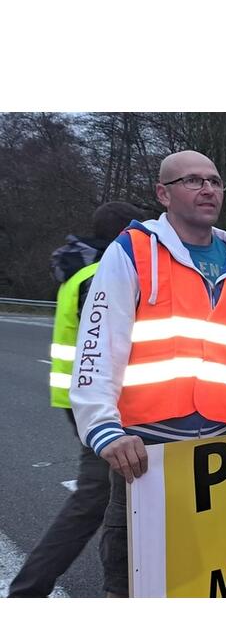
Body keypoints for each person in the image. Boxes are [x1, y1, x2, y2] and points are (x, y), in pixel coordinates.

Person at [68, 150, 226, 597]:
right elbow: (97, 346)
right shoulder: (133, 252)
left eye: (215, 180)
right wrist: (105, 430)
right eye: (193, 181)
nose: (208, 188)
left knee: (219, 576)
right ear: (163, 194)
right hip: (147, 452)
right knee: (139, 581)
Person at [8, 202, 146, 597]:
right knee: (95, 500)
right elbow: (105, 347)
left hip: (82, 401)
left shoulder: (83, 271)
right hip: (103, 407)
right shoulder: (103, 275)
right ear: (124, 235)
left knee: (106, 498)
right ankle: (28, 591)